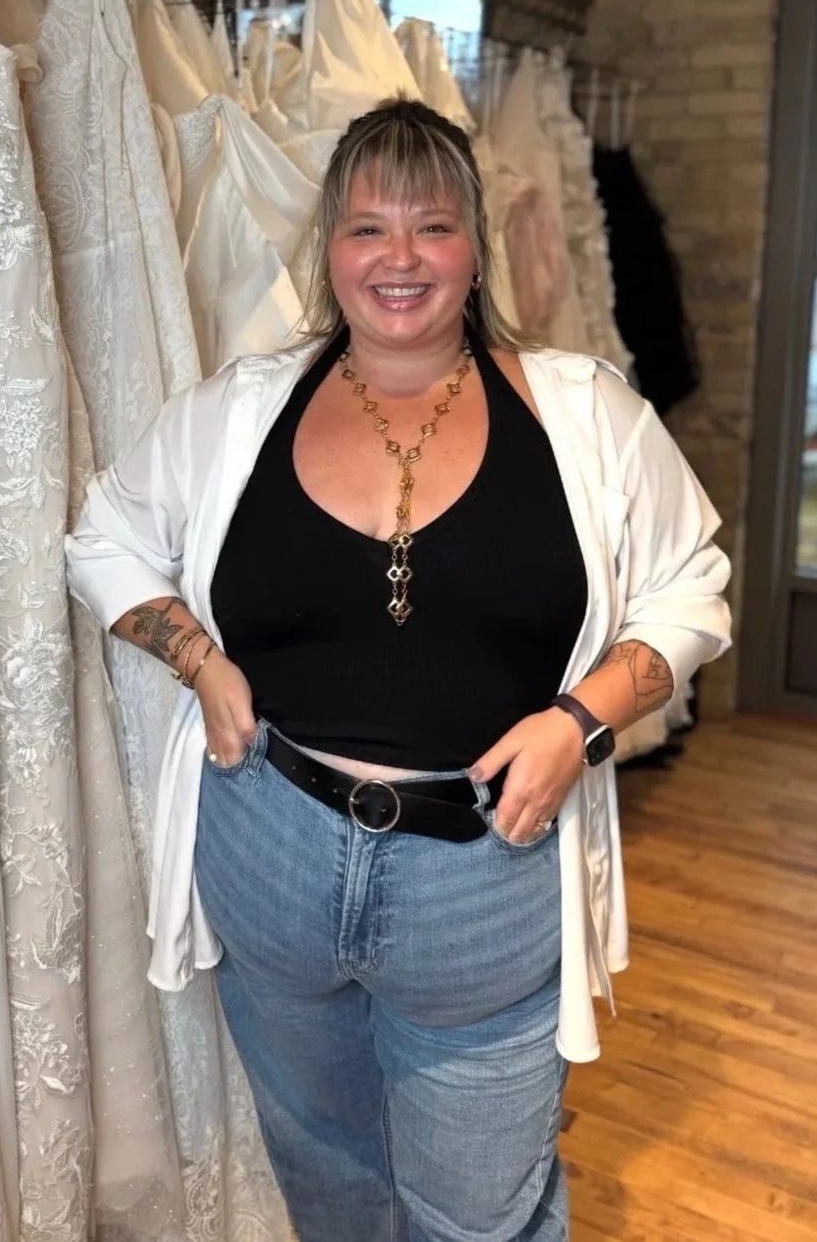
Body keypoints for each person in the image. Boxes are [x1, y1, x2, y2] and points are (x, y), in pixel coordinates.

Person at [66, 98, 731, 1242]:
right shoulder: (240, 410)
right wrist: (198, 659)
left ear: (476, 246)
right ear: (330, 249)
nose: (400, 258)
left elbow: (691, 588)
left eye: (432, 226)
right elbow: (103, 539)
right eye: (368, 228)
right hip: (270, 841)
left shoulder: (586, 414)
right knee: (329, 1182)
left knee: (481, 1213)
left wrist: (580, 720)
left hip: (486, 865)